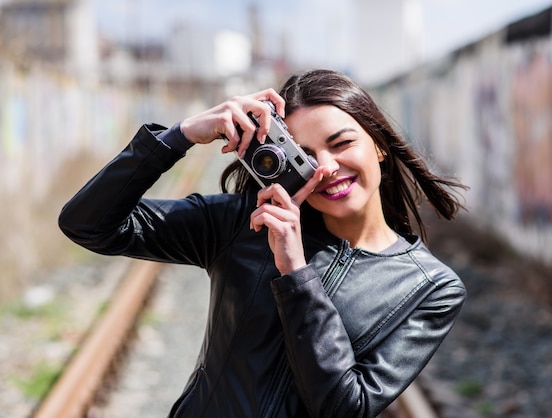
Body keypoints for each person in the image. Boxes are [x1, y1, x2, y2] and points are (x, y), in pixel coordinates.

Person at [59, 69, 467, 418]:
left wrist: (296, 273)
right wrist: (178, 137)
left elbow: (344, 408)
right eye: (304, 156)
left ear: (378, 145)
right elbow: (87, 223)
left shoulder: (430, 287)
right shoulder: (243, 222)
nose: (325, 168)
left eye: (342, 144)